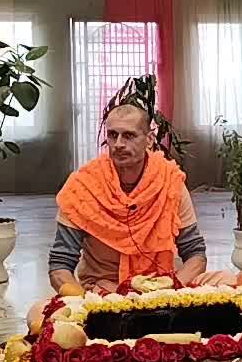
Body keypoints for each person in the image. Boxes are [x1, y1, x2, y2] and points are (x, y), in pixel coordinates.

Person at [50, 103, 228, 293]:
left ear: (149, 139)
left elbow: (195, 252)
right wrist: (82, 302)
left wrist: (172, 289)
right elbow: (60, 264)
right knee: (39, 310)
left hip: (162, 286)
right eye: (112, 135)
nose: (118, 144)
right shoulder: (82, 186)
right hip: (105, 290)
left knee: (226, 280)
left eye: (128, 135)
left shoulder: (169, 181)